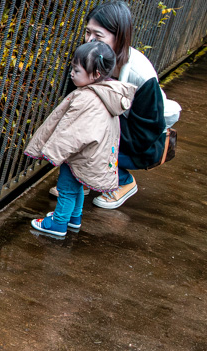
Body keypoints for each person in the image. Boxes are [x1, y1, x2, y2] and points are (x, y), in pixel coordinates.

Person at [24, 41, 135, 239]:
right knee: (77, 188)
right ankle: (74, 218)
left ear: (96, 74)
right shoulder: (107, 93)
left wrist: (54, 153)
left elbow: (72, 133)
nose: (72, 73)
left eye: (76, 70)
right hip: (91, 155)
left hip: (78, 155)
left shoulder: (86, 98)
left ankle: (58, 224)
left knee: (66, 189)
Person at [82, 0, 180, 209]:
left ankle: (123, 182)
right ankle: (84, 178)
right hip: (115, 130)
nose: (90, 40)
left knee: (84, 138)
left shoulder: (140, 75)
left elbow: (145, 134)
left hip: (145, 143)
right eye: (87, 32)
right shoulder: (89, 57)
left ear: (120, 39)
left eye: (98, 36)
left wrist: (97, 139)